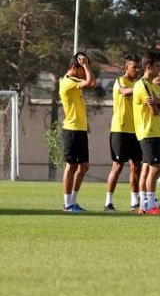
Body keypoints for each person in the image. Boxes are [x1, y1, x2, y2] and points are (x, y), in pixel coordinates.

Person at [104, 55, 142, 212]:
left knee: (137, 166)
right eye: (134, 67)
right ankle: (108, 202)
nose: (137, 70)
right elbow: (125, 92)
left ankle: (134, 202)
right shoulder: (120, 81)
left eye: (139, 67)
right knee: (118, 166)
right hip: (120, 129)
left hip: (137, 131)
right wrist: (140, 89)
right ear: (126, 68)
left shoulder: (139, 84)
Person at [59, 52, 96, 212]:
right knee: (71, 166)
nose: (84, 71)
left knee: (84, 166)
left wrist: (86, 123)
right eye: (82, 68)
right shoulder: (68, 81)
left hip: (80, 129)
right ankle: (67, 204)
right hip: (72, 129)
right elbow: (91, 82)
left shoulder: (74, 81)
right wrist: (86, 64)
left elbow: (90, 82)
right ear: (75, 67)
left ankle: (73, 201)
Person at [133, 52, 160, 215]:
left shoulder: (155, 87)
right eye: (158, 66)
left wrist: (159, 101)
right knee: (154, 168)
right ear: (148, 67)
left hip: (158, 132)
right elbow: (154, 111)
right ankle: (148, 205)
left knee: (155, 167)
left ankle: (145, 204)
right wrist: (157, 105)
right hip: (148, 132)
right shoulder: (142, 85)